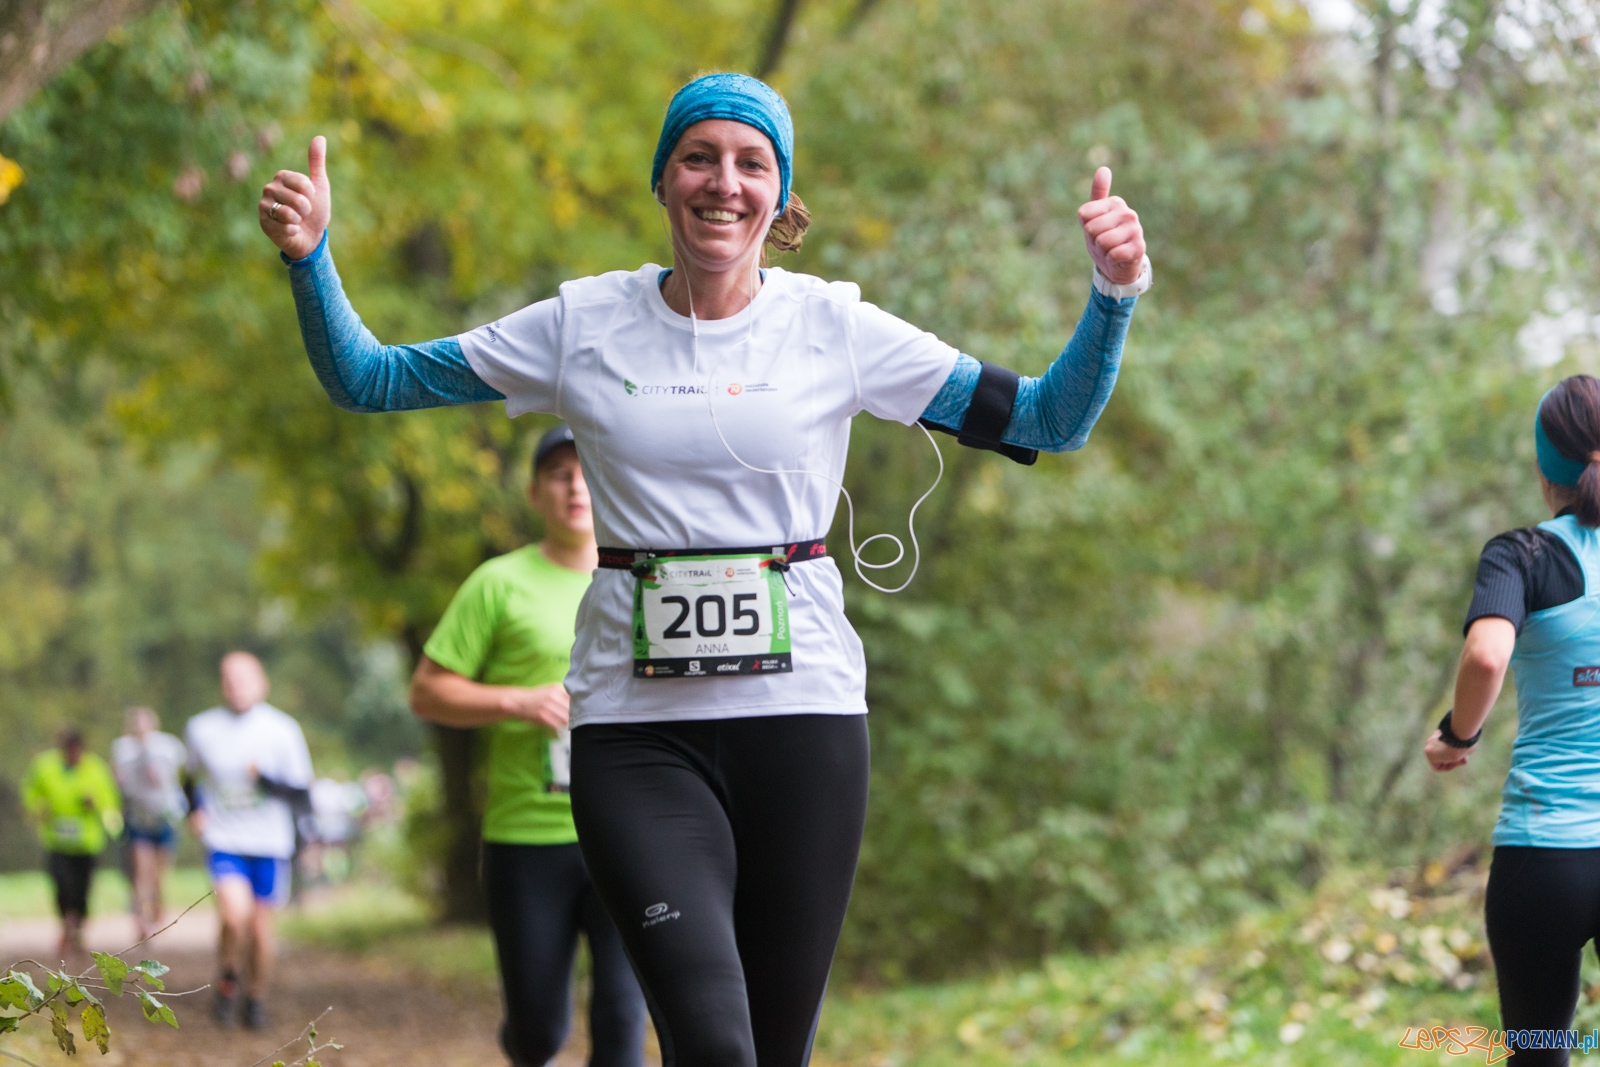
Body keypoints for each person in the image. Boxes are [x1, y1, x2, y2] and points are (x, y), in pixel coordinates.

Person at [259, 71, 1148, 1067]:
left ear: (780, 193)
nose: (724, 182)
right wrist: (311, 257)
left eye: (751, 163)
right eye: (699, 157)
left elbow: (1047, 419)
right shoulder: (581, 324)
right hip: (637, 735)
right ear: (662, 179)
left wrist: (1113, 293)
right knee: (716, 1043)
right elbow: (370, 378)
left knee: (772, 1051)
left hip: (804, 725)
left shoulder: (834, 327)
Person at [410, 424, 648, 1067]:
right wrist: (518, 701)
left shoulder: (647, 575)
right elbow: (427, 692)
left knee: (623, 1021)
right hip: (528, 836)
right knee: (539, 1032)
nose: (576, 487)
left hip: (631, 828)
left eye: (587, 472)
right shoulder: (499, 582)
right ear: (535, 492)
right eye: (559, 475)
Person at [1425, 374, 1600, 1065]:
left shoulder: (1520, 554)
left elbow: (1487, 655)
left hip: (1543, 856)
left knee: (1538, 1052)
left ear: (1542, 466)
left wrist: (1457, 733)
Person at [185, 651, 314, 1030]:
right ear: (221, 684)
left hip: (270, 843)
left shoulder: (283, 729)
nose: (236, 686)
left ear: (262, 684)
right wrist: (194, 809)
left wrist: (264, 780)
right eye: (229, 678)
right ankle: (228, 978)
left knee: (259, 929)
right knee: (233, 916)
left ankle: (255, 999)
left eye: (244, 678)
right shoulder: (201, 728)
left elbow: (302, 792)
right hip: (224, 838)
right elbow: (187, 776)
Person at [20, 729, 122, 958]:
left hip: (87, 843)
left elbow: (111, 801)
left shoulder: (96, 769)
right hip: (57, 842)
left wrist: (95, 803)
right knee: (62, 887)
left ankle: (78, 929)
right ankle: (67, 926)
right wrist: (38, 808)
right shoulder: (45, 767)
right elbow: (29, 790)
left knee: (83, 890)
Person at [111, 706, 188, 942]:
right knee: (140, 871)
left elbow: (180, 777)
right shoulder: (122, 748)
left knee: (159, 874)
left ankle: (157, 909)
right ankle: (141, 920)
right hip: (138, 818)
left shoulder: (169, 746)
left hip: (165, 816)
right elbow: (118, 780)